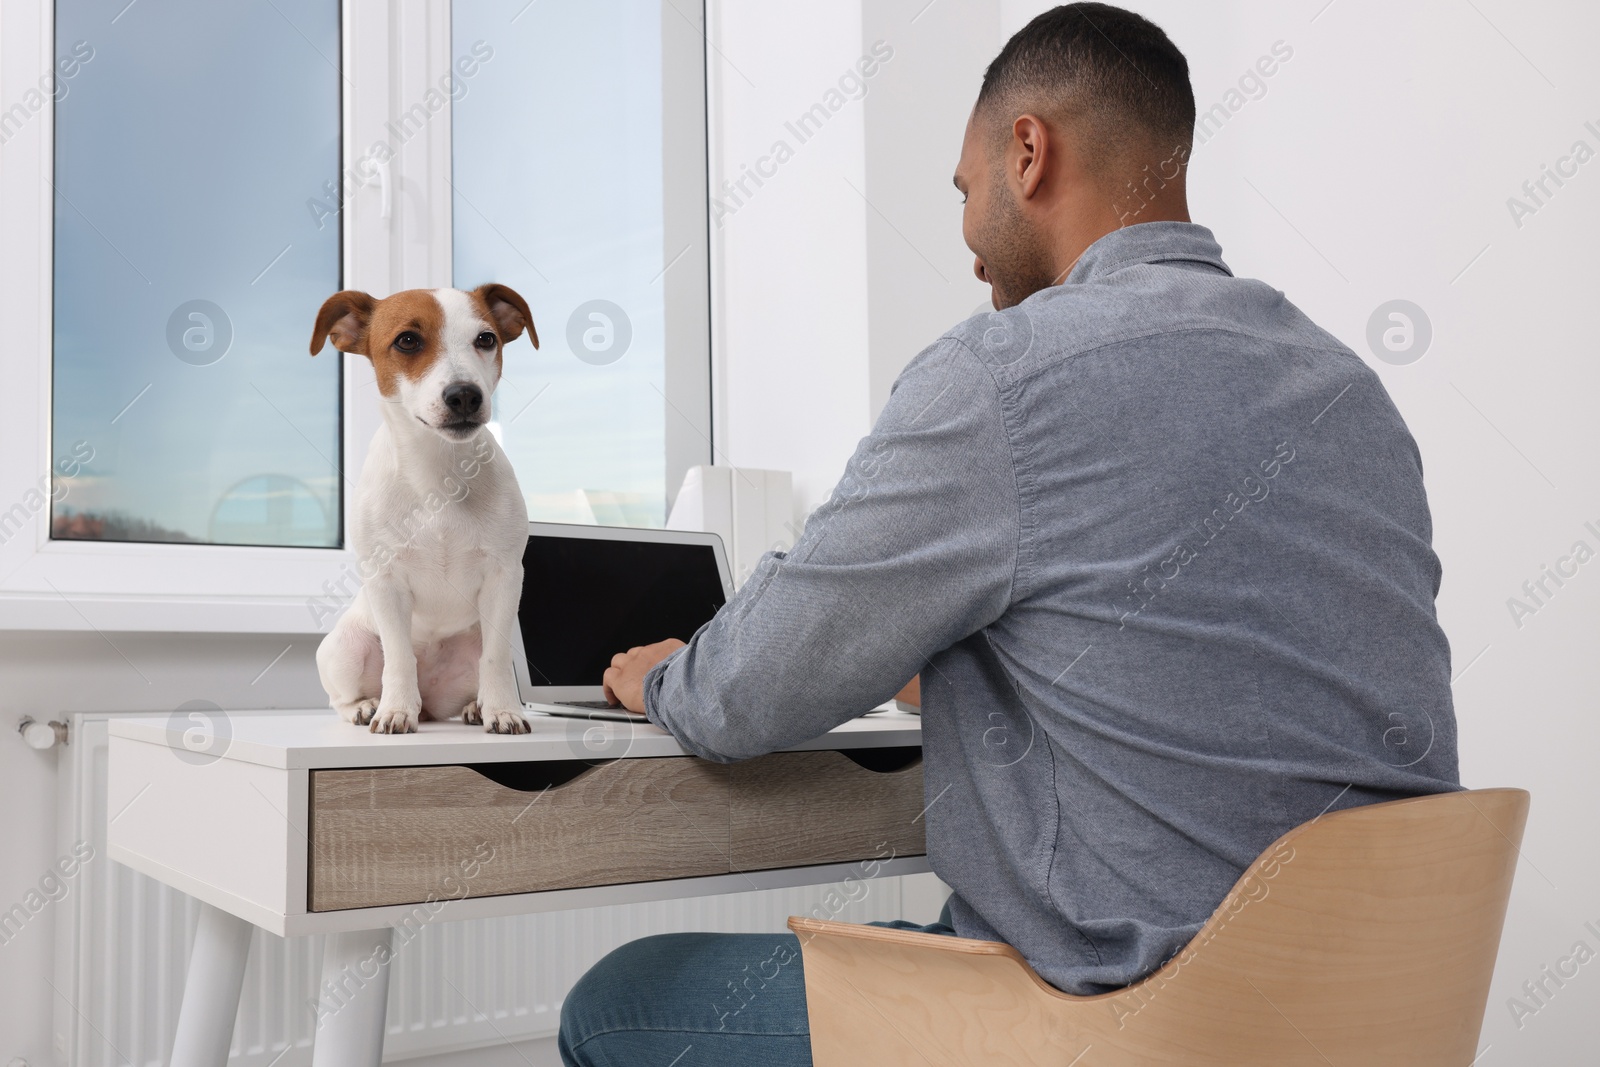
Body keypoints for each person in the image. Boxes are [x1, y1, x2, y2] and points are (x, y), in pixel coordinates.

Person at [560, 4, 1460, 1064]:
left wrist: (668, 676)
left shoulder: (1004, 375)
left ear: (1027, 153)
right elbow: (1210, 671)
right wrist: (958, 675)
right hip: (1365, 1012)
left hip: (1121, 1020)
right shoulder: (1346, 391)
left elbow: (743, 695)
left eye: (961, 188)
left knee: (620, 997)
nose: (965, 236)